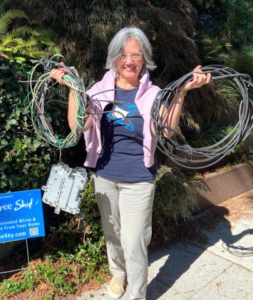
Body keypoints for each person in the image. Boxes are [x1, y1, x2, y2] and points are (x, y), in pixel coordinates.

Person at [51, 27, 211, 300]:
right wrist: (73, 88)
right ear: (114, 59)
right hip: (104, 176)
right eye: (123, 55)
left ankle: (137, 294)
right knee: (112, 233)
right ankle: (118, 273)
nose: (129, 61)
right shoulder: (99, 90)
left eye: (135, 54)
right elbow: (80, 125)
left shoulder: (154, 94)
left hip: (139, 178)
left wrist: (182, 92)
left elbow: (167, 131)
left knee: (134, 240)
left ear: (144, 58)